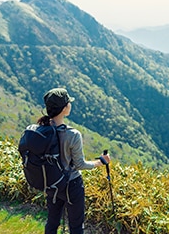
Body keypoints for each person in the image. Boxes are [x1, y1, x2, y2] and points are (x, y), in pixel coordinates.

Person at [39, 87, 111, 234]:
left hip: (52, 183)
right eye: (69, 103)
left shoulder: (41, 130)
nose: (70, 105)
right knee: (76, 226)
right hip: (71, 185)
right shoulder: (72, 134)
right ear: (65, 108)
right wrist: (100, 162)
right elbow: (80, 164)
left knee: (52, 222)